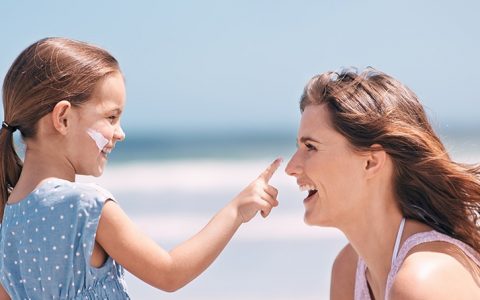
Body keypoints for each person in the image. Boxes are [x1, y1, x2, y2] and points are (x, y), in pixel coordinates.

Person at [0, 37, 282, 299]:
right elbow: (169, 273)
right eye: (111, 117)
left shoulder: (7, 223)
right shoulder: (86, 206)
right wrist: (236, 211)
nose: (119, 132)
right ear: (62, 118)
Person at [285, 68, 480, 300]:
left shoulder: (422, 282)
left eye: (310, 147)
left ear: (370, 162)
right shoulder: (348, 269)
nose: (291, 167)